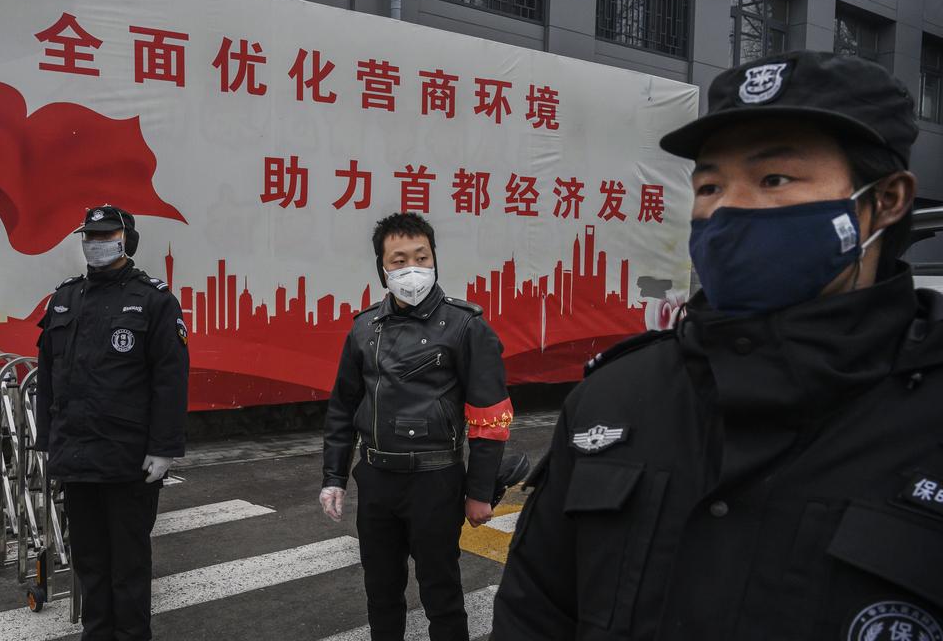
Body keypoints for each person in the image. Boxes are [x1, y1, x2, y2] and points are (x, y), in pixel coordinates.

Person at [491, 50, 943, 640]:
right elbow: (535, 615)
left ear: (885, 201)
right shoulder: (612, 399)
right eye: (708, 185)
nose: (726, 208)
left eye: (773, 179)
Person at [322, 212, 515, 641]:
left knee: (441, 594)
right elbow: (342, 408)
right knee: (381, 592)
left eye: (421, 257)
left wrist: (480, 493)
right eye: (399, 260)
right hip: (375, 480)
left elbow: (491, 416)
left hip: (435, 481)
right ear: (382, 268)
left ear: (434, 260)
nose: (412, 269)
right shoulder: (364, 327)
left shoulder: (466, 326)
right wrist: (333, 476)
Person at [34, 204, 189, 641]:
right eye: (90, 236)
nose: (96, 244)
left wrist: (164, 448)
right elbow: (48, 374)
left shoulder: (153, 300)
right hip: (78, 457)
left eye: (106, 236)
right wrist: (48, 442)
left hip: (128, 462)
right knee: (90, 564)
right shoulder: (65, 297)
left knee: (129, 566)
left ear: (126, 241)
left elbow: (170, 380)